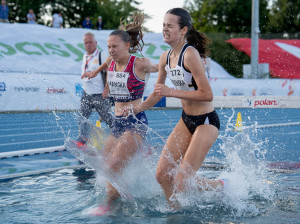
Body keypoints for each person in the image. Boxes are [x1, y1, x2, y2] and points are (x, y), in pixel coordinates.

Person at [130, 8, 226, 209]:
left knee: (182, 179)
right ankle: (175, 210)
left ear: (183, 30)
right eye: (163, 25)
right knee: (162, 175)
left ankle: (219, 186)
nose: (165, 29)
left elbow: (207, 94)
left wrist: (172, 92)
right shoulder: (165, 57)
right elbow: (158, 92)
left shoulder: (190, 54)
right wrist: (137, 109)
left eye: (170, 26)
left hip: (206, 121)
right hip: (186, 119)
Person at [82, 12, 158, 215]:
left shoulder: (140, 63)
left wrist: (178, 63)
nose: (111, 50)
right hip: (116, 122)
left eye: (114, 46)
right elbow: (104, 66)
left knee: (114, 165)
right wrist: (94, 73)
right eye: (108, 46)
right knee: (105, 166)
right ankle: (126, 192)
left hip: (135, 122)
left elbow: (160, 67)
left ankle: (108, 205)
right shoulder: (111, 60)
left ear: (127, 45)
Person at [76, 32, 114, 145]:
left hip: (100, 94)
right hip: (86, 94)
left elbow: (109, 72)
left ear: (95, 43)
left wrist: (106, 89)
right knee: (82, 117)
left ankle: (119, 136)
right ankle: (82, 141)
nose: (88, 45)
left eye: (90, 42)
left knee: (108, 118)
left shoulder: (101, 55)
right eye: (86, 42)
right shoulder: (84, 56)